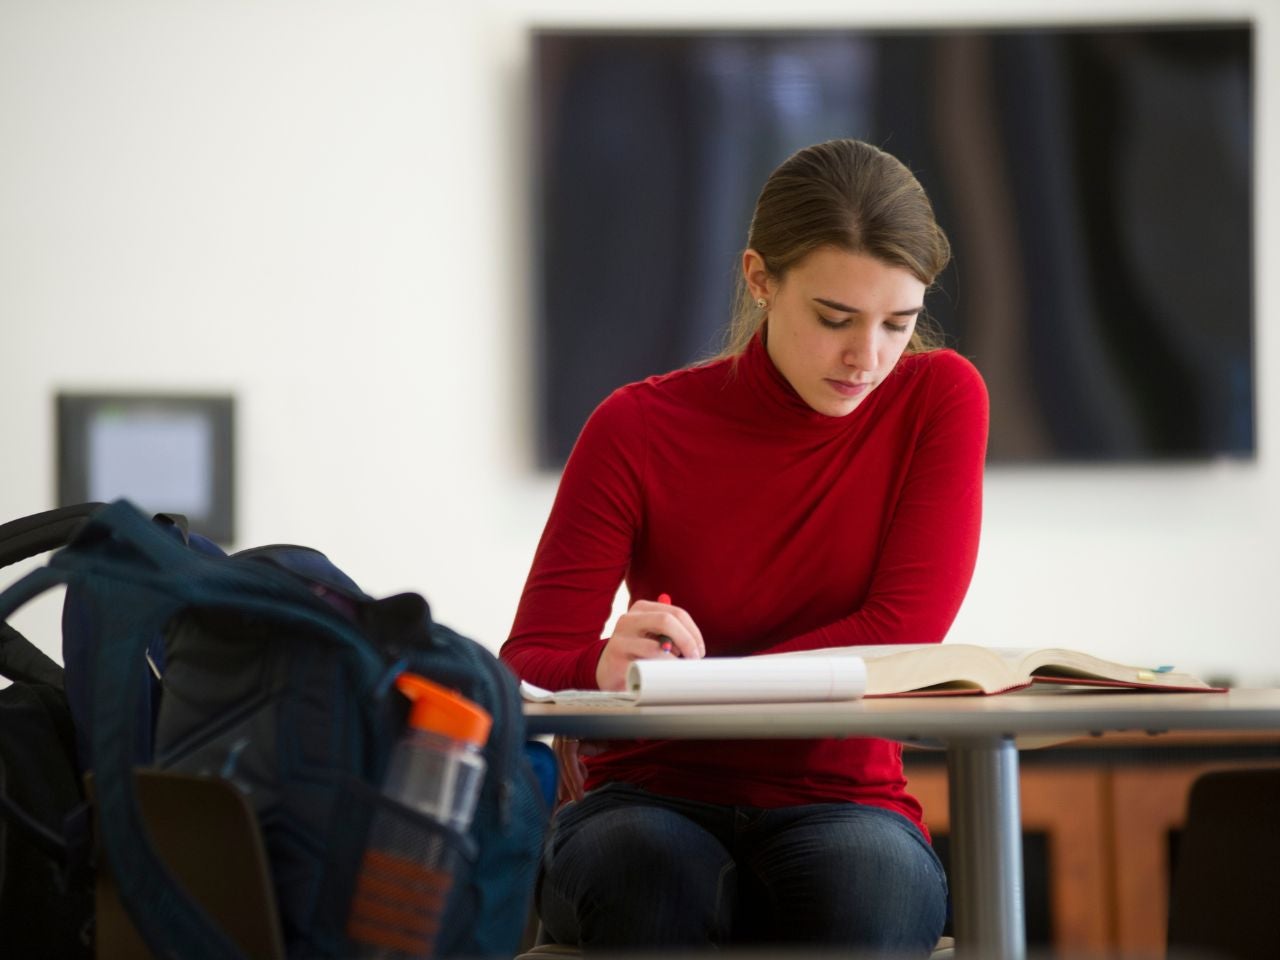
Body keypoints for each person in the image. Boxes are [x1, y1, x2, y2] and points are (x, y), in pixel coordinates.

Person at [501, 138, 989, 954]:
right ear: (761, 279)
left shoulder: (940, 400)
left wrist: (691, 691)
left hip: (845, 801)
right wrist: (603, 665)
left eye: (897, 324)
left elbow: (901, 629)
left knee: (867, 890)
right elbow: (529, 658)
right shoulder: (636, 426)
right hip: (646, 797)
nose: (866, 358)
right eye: (835, 318)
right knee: (644, 873)